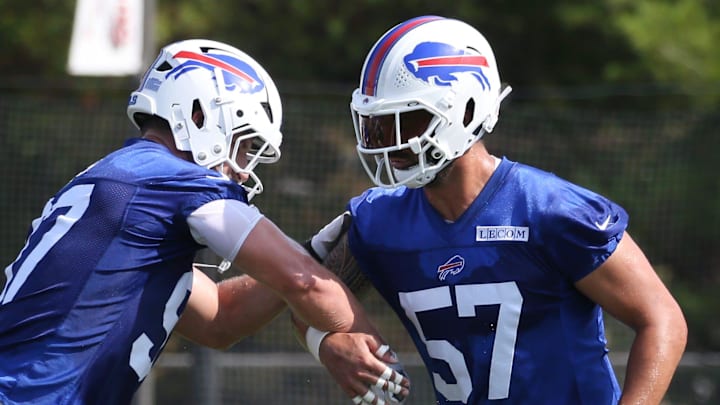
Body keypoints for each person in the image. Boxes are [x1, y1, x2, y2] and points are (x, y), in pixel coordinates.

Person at [295, 15, 688, 405]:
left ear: (466, 110)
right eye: (377, 126)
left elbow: (662, 319)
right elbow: (302, 295)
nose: (389, 144)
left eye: (407, 122)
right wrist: (326, 342)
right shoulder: (379, 222)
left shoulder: (549, 210)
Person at [0, 39, 407, 405]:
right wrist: (375, 353)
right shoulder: (169, 179)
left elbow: (220, 319)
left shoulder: (131, 189)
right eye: (245, 145)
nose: (245, 171)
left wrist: (311, 252)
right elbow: (302, 283)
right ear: (198, 114)